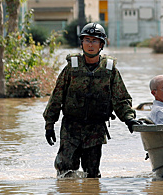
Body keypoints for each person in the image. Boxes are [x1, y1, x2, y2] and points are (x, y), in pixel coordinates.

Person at [43, 22, 140, 178]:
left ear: (101, 44)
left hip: (95, 129)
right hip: (71, 127)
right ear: (81, 43)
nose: (90, 44)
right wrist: (49, 124)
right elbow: (57, 97)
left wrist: (129, 119)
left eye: (94, 41)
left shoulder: (109, 70)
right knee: (66, 171)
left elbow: (120, 99)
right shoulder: (71, 68)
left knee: (92, 174)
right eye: (87, 40)